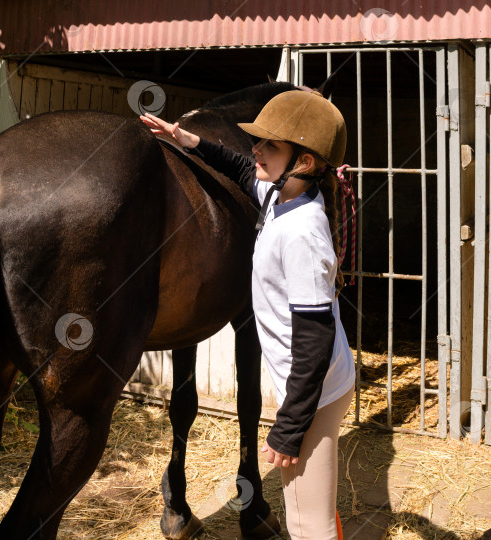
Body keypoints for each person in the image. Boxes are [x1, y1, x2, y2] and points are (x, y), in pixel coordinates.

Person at [140, 89, 356, 540]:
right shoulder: (282, 195)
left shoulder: (301, 233)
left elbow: (314, 342)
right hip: (315, 387)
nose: (254, 150)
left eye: (270, 145)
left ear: (305, 162)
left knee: (306, 522)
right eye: (258, 142)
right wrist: (185, 139)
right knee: (311, 513)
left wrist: (288, 428)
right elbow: (238, 166)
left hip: (312, 392)